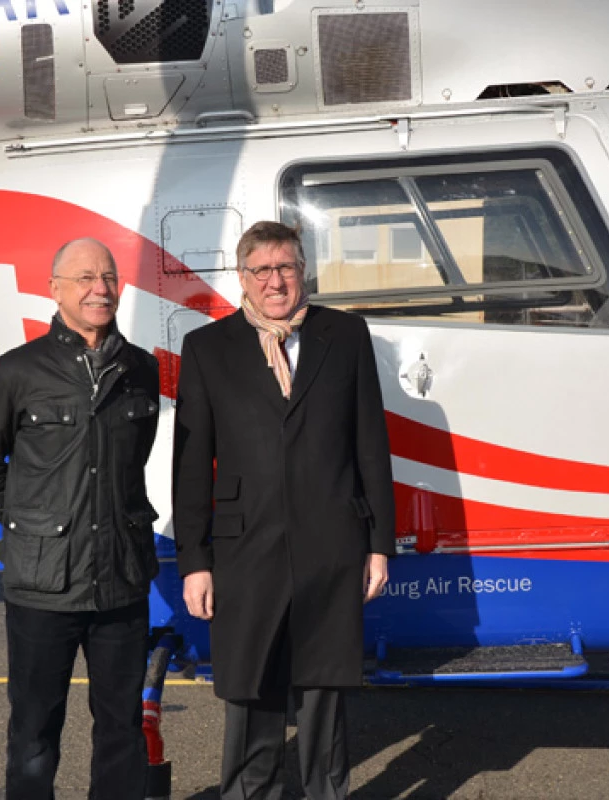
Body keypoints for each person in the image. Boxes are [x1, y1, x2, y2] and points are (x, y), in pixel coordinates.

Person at [172, 221, 396, 799]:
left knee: (325, 687)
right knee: (252, 689)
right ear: (243, 278)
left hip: (333, 541)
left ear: (303, 272)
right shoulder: (207, 348)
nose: (276, 281)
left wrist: (379, 544)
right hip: (245, 547)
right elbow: (192, 464)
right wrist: (194, 560)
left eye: (286, 268)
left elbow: (369, 441)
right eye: (262, 271)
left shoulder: (344, 335)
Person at [0, 238, 160, 800]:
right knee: (33, 732)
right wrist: (33, 528)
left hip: (121, 582)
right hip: (42, 587)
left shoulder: (140, 369)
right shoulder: (13, 372)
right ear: (55, 290)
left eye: (109, 277)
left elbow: (133, 461)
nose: (100, 289)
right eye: (85, 279)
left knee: (121, 729)